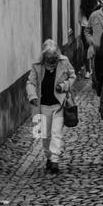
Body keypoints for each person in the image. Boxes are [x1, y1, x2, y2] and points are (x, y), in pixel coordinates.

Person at [26, 39, 76, 173]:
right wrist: (32, 96)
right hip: (42, 106)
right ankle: (48, 156)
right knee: (44, 135)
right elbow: (30, 83)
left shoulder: (63, 61)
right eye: (49, 58)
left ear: (57, 55)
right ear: (44, 56)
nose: (51, 60)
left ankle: (54, 160)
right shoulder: (37, 65)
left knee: (56, 133)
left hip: (58, 104)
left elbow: (72, 76)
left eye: (54, 57)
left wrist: (64, 86)